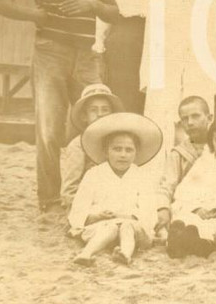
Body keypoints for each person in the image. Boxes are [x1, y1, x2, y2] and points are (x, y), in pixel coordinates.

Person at [0, 0, 120, 212]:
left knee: (100, 124)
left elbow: (115, 10)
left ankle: (96, 195)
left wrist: (92, 5)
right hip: (50, 54)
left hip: (88, 56)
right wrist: (33, 14)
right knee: (49, 129)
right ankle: (49, 199)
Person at [140, 0, 216, 157]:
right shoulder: (160, 0)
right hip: (164, 71)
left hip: (197, 72)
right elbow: (150, 42)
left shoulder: (210, 1)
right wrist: (148, 78)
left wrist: (211, 83)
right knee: (161, 124)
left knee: (193, 125)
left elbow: (214, 44)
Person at [67, 112, 162, 266]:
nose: (123, 155)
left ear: (136, 153)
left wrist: (128, 216)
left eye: (128, 150)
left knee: (126, 227)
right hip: (101, 226)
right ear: (106, 151)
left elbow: (149, 212)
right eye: (117, 149)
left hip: (133, 227)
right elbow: (78, 209)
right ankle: (87, 253)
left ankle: (125, 253)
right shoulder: (94, 174)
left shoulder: (142, 176)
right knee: (110, 227)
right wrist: (97, 216)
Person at [166, 116, 216, 259]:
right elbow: (184, 191)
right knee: (186, 219)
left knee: (214, 228)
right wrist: (196, 208)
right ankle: (181, 240)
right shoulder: (203, 163)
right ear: (212, 143)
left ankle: (200, 245)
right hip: (198, 211)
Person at [155, 96, 214, 242]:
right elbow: (167, 185)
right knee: (180, 219)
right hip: (188, 204)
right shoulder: (178, 154)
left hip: (215, 203)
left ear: (209, 117)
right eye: (185, 119)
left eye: (195, 116)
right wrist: (163, 208)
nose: (190, 123)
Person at [60, 83, 124, 210]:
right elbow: (69, 191)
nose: (100, 114)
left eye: (105, 110)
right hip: (88, 205)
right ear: (84, 116)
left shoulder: (120, 142)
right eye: (94, 110)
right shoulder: (78, 146)